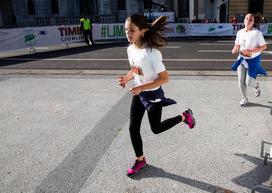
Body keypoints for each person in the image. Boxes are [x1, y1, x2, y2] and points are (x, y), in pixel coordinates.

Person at [118, 14, 196, 177]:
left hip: (153, 94)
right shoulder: (130, 49)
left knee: (156, 129)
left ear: (143, 31)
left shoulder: (152, 53)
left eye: (132, 30)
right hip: (139, 93)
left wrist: (142, 87)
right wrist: (126, 78)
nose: (128, 33)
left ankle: (184, 116)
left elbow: (164, 78)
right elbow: (136, 69)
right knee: (133, 128)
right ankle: (141, 160)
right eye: (126, 30)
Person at [231, 13, 267, 107]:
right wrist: (235, 49)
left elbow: (264, 46)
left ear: (253, 22)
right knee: (241, 81)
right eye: (247, 18)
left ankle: (256, 86)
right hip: (241, 59)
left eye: (250, 19)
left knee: (249, 82)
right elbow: (238, 44)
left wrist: (251, 51)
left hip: (253, 60)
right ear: (244, 20)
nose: (248, 20)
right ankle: (244, 98)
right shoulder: (240, 32)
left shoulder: (257, 33)